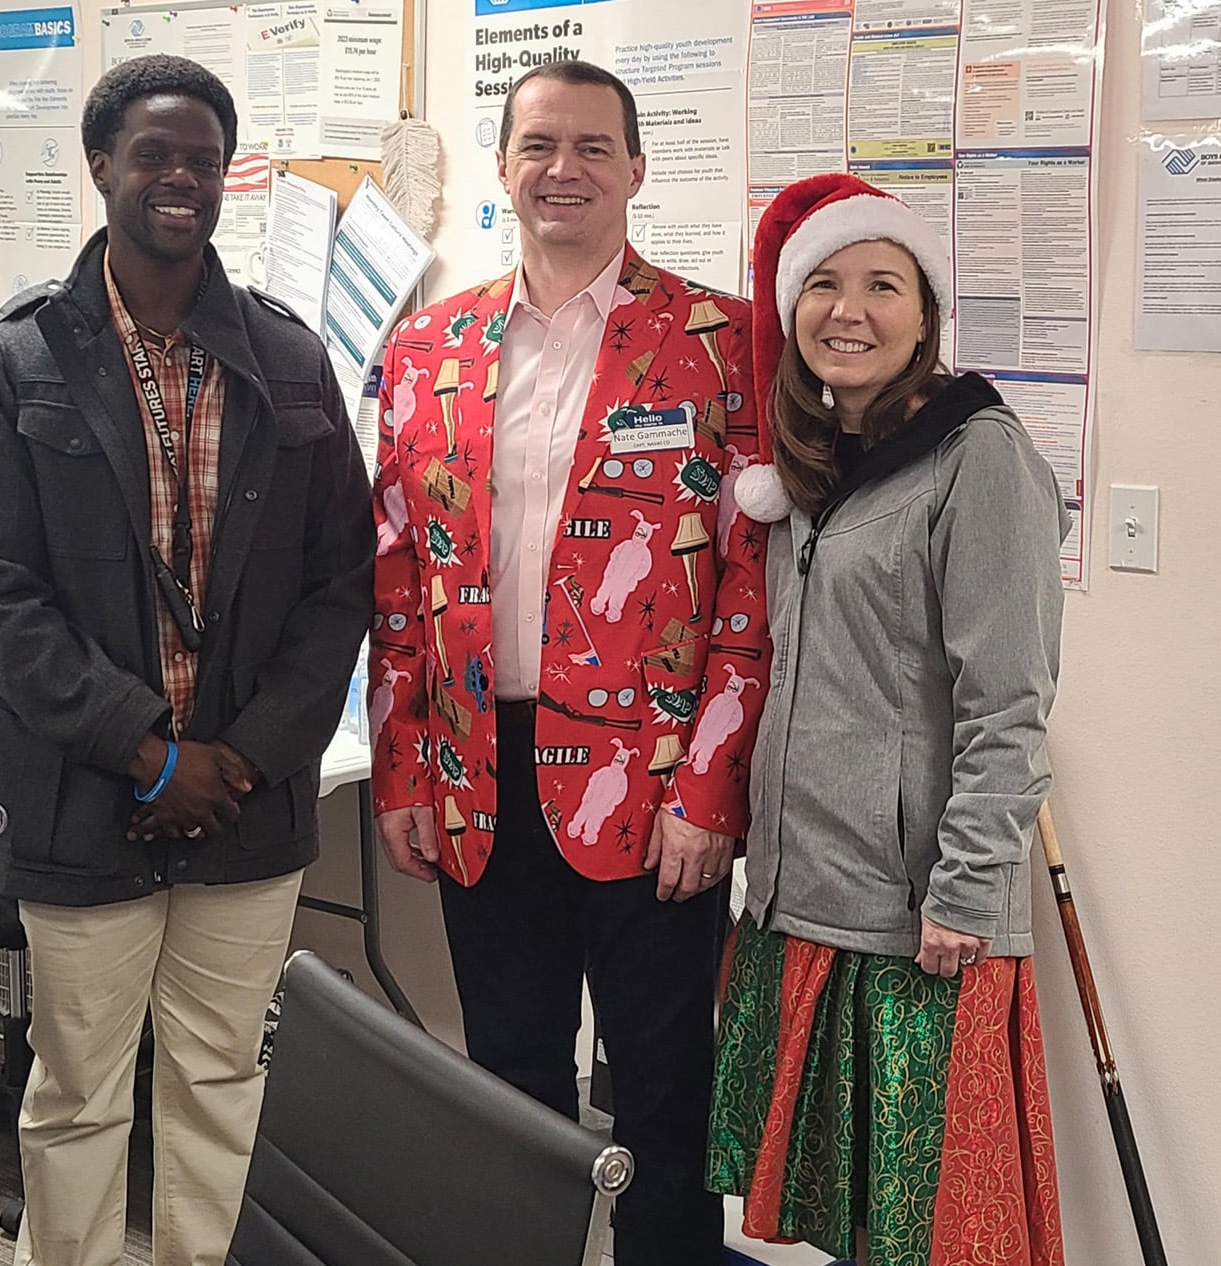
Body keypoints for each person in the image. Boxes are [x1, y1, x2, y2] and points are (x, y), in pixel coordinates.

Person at [0, 54, 372, 1266]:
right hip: (86, 797)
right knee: (76, 1098)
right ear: (102, 171)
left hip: (246, 799)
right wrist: (143, 748)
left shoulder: (290, 360)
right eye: (153, 155)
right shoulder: (15, 359)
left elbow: (343, 582)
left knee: (219, 1083)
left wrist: (238, 757)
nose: (180, 179)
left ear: (226, 179)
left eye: (203, 160)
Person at [368, 60, 768, 1266]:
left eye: (593, 147)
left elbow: (748, 592)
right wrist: (402, 774)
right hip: (479, 773)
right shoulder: (427, 346)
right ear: (501, 168)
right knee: (508, 1078)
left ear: (637, 170)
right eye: (539, 146)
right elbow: (398, 580)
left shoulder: (718, 343)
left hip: (650, 795)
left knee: (659, 1092)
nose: (564, 170)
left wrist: (710, 792)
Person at [707, 173, 1069, 1266]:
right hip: (803, 894)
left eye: (880, 284)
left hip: (918, 921)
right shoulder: (816, 474)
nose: (847, 311)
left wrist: (960, 894)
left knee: (916, 1232)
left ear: (925, 313)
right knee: (842, 1223)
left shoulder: (978, 458)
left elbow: (1008, 705)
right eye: (821, 284)